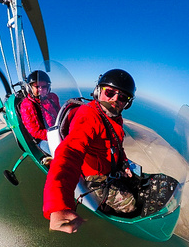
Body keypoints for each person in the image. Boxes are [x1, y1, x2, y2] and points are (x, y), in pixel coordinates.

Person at [43, 69, 137, 233]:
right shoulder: (89, 116)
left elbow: (117, 146)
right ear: (98, 91)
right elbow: (70, 153)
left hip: (111, 167)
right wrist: (58, 206)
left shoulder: (114, 117)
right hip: (97, 177)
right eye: (109, 92)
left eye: (122, 97)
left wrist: (124, 163)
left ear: (127, 103)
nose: (115, 100)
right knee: (131, 205)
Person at [19, 70, 61, 144]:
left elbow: (61, 114)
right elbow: (36, 132)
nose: (41, 89)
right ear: (30, 88)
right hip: (43, 139)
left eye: (44, 86)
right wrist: (56, 135)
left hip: (60, 131)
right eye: (37, 86)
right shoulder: (27, 105)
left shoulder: (53, 97)